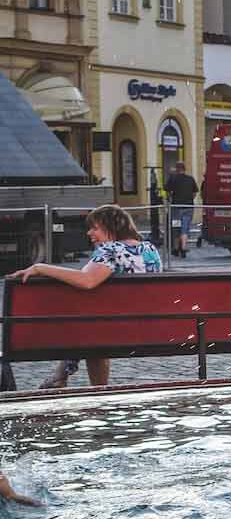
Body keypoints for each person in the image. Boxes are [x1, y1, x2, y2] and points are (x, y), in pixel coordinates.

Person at [7, 204, 163, 389]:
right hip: (151, 326)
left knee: (89, 325)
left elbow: (87, 280)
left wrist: (40, 267)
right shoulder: (149, 249)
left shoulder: (110, 250)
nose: (89, 233)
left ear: (112, 228)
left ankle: (72, 379)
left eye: (95, 228)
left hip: (113, 329)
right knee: (92, 322)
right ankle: (66, 376)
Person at [164, 161, 200, 258]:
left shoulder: (173, 178)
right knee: (185, 228)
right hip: (188, 208)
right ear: (184, 169)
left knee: (176, 228)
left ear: (177, 169)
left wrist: (171, 175)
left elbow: (166, 189)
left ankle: (176, 248)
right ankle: (183, 248)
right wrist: (189, 199)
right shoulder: (190, 179)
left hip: (176, 208)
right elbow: (195, 193)